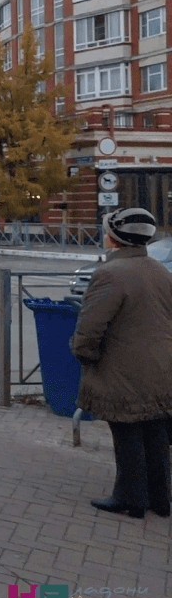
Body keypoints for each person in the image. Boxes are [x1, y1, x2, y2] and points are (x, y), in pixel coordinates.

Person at [71, 208, 172, 519]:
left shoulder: (110, 274)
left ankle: (129, 499)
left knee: (126, 432)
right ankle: (160, 499)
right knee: (155, 432)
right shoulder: (160, 271)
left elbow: (89, 329)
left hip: (122, 369)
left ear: (114, 238)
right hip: (161, 368)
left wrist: (84, 353)